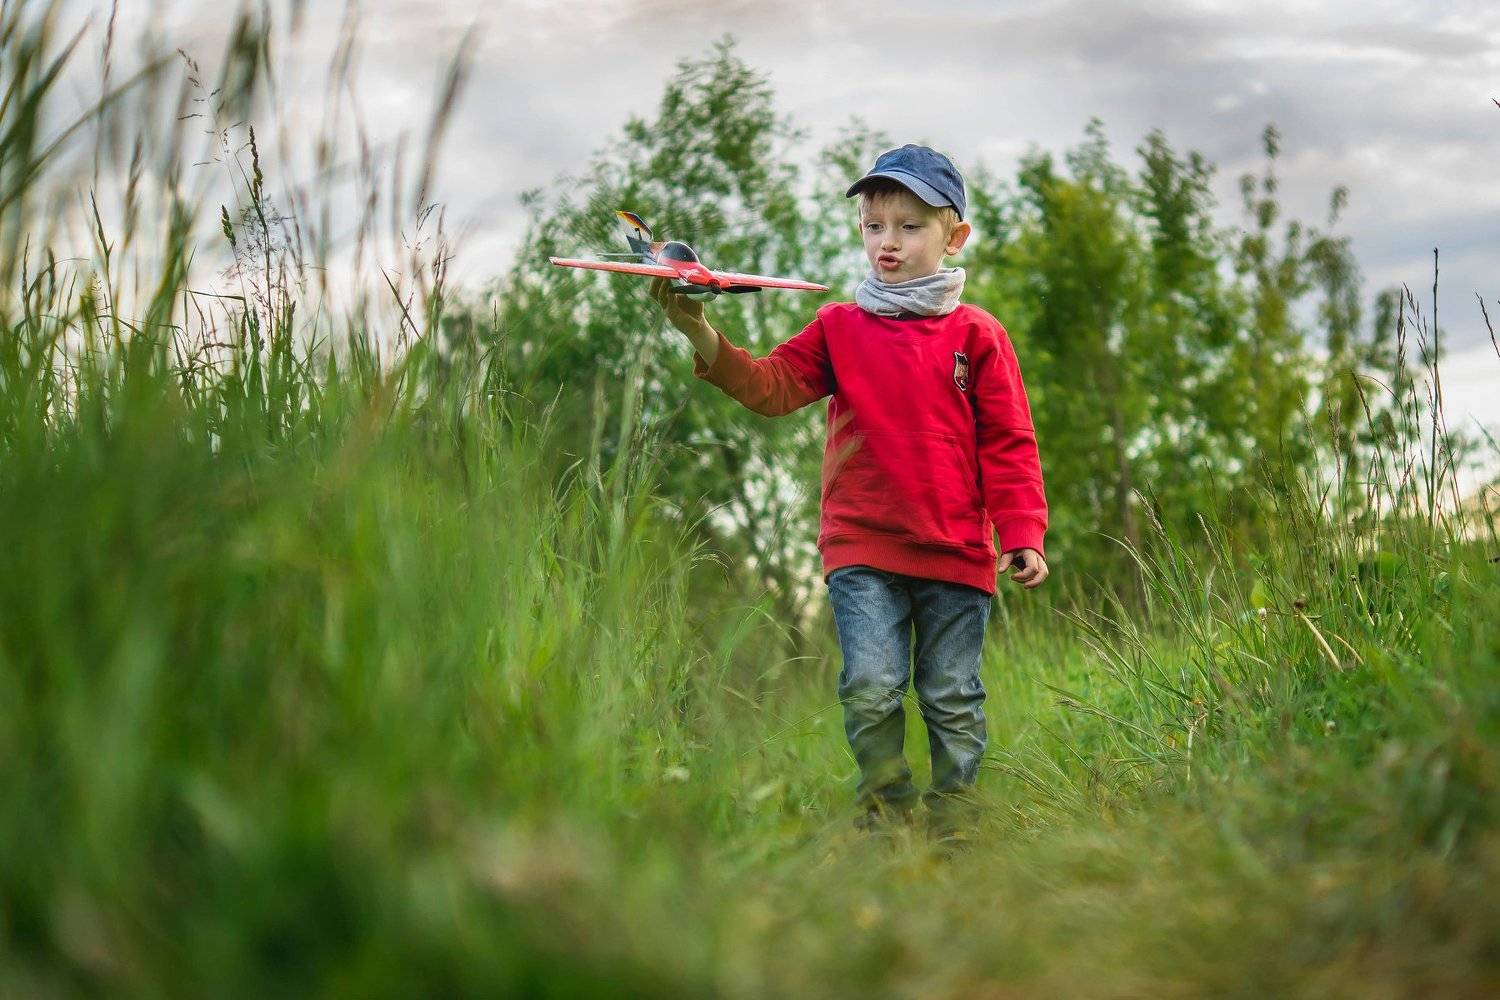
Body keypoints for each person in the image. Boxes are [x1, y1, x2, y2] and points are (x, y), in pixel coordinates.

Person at [649, 144, 1049, 837]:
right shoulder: (839, 327)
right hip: (861, 547)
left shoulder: (978, 334)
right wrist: (698, 328)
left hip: (956, 550)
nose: (887, 242)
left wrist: (1022, 533)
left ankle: (955, 822)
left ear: (954, 236)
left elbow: (1009, 442)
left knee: (952, 696)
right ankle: (886, 814)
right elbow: (769, 388)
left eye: (909, 227)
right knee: (870, 687)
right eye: (874, 226)